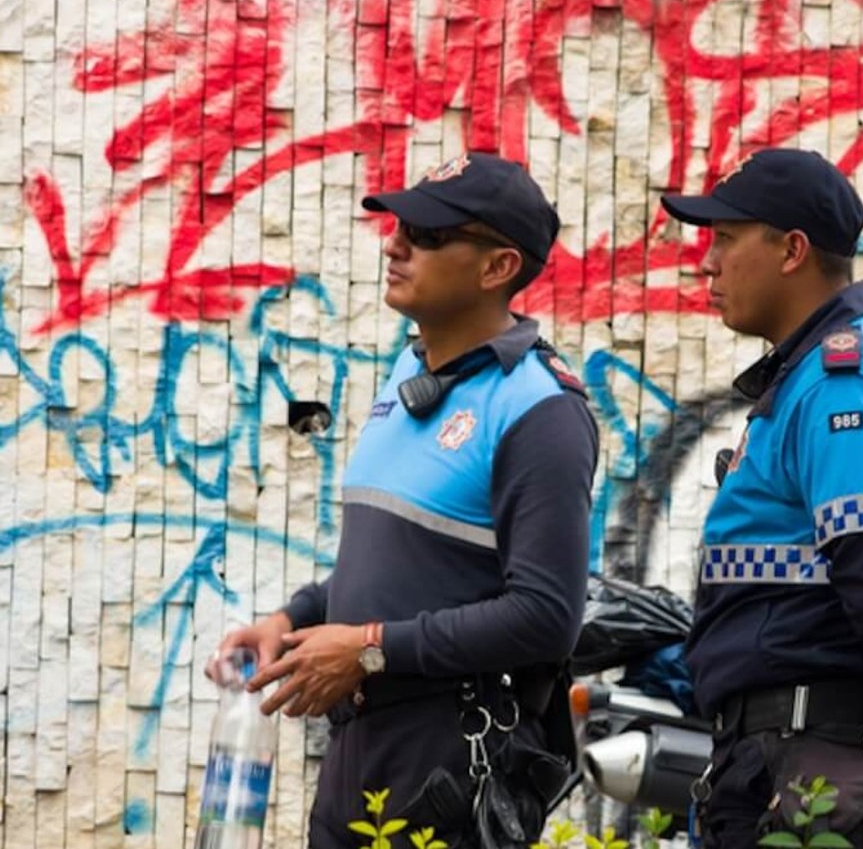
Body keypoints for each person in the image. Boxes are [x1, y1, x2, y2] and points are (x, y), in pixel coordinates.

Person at [208, 153, 598, 848]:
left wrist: (367, 650)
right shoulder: (411, 373)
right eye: (399, 226)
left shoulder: (540, 408)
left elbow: (545, 618)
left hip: (445, 763)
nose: (396, 244)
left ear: (497, 267)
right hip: (358, 755)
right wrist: (290, 619)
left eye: (429, 234)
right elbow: (400, 566)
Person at [660, 148, 863, 848]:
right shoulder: (817, 373)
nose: (707, 263)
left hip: (819, 761)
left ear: (792, 250)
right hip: (802, 752)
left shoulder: (845, 383)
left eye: (724, 238)